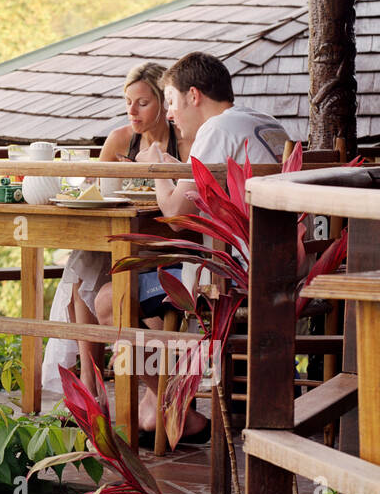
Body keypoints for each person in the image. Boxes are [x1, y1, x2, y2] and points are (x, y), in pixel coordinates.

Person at [93, 51, 290, 440]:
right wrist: (174, 167)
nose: (170, 114)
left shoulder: (214, 131)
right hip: (281, 262)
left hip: (232, 274)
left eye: (170, 101)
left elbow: (175, 210)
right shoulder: (266, 124)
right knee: (149, 284)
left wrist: (156, 167)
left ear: (194, 95)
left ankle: (173, 406)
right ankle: (162, 402)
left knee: (106, 299)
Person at [42, 62, 184, 399]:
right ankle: (92, 386)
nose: (132, 111)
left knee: (83, 274)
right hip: (121, 241)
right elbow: (97, 190)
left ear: (164, 101)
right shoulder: (121, 139)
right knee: (85, 264)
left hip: (163, 245)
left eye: (143, 103)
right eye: (127, 102)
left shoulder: (185, 141)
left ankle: (96, 390)